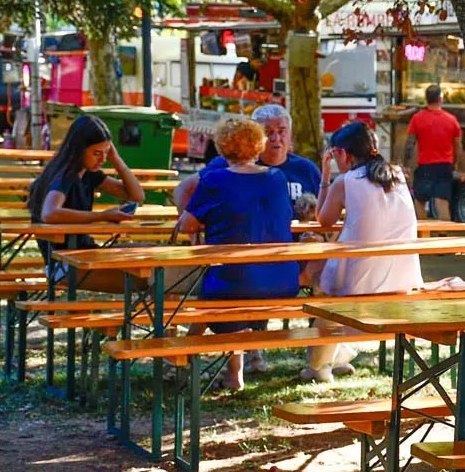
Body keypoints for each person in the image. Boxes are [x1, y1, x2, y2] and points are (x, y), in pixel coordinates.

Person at [175, 116, 300, 391]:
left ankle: (183, 357)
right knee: (230, 287)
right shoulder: (277, 178)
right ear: (259, 144)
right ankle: (228, 373)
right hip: (283, 281)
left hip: (234, 283)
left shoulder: (214, 179)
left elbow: (186, 225)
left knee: (214, 296)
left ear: (222, 147)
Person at [301, 122, 423, 383]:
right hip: (403, 278)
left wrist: (325, 177)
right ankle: (338, 355)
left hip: (360, 284)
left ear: (344, 154)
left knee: (319, 284)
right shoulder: (397, 175)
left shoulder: (346, 181)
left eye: (335, 154)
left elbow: (323, 220)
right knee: (335, 282)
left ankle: (318, 365)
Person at [27, 115, 145, 292]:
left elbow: (136, 196)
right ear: (79, 149)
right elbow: (50, 213)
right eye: (96, 153)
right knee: (150, 276)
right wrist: (102, 216)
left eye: (106, 152)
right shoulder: (65, 174)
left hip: (85, 254)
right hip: (64, 266)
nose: (102, 159)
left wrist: (116, 159)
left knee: (150, 254)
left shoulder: (88, 173)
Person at [173, 104, 321, 214]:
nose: (276, 138)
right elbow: (183, 190)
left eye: (282, 131)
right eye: (268, 132)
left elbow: (324, 211)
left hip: (296, 244)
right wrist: (194, 235)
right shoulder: (232, 163)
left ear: (290, 134)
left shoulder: (307, 169)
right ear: (255, 136)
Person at [404, 84, 462, 220]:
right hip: (444, 166)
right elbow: (457, 145)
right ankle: (444, 231)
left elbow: (409, 144)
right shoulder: (451, 120)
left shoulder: (417, 119)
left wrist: (406, 165)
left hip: (425, 166)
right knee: (442, 202)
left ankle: (423, 230)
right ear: (440, 99)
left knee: (419, 201)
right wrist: (455, 162)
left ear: (426, 99)